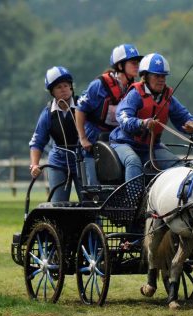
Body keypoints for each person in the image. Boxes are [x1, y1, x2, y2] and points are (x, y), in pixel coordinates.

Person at [110, 53, 193, 181]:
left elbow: (185, 117)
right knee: (133, 161)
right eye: (157, 76)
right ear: (145, 76)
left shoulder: (168, 98)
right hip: (125, 143)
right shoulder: (134, 95)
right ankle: (133, 200)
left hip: (151, 147)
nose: (161, 79)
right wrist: (143, 123)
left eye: (163, 76)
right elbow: (123, 118)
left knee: (178, 166)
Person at [75, 43, 143, 185]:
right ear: (120, 66)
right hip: (93, 143)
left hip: (117, 141)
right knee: (94, 187)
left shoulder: (133, 88)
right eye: (133, 62)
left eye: (138, 62)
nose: (137, 65)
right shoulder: (99, 85)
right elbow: (80, 109)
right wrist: (83, 139)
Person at [29, 66, 81, 202]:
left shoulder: (83, 106)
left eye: (66, 85)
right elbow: (37, 141)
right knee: (58, 205)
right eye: (59, 87)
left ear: (71, 87)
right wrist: (34, 164)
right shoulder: (47, 114)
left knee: (90, 202)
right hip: (58, 160)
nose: (63, 89)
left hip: (81, 159)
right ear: (52, 92)